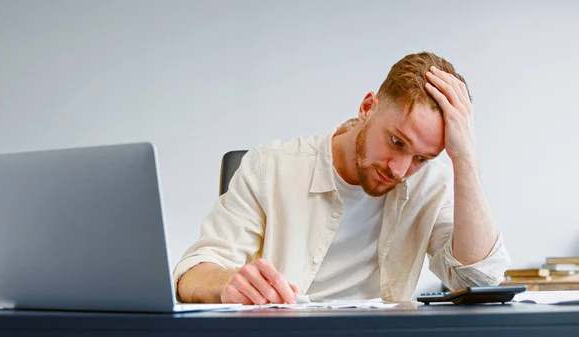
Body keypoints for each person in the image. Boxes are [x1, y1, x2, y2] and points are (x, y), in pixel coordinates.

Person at [173, 52, 511, 304]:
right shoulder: (270, 166)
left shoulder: (430, 184)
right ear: (367, 107)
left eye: (421, 158)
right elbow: (192, 274)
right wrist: (228, 282)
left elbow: (479, 278)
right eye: (396, 142)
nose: (399, 169)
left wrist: (464, 157)